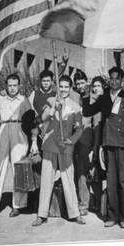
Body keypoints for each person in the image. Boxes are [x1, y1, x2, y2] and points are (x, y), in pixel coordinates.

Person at [82, 66, 124, 229]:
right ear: (109, 80)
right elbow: (88, 111)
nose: (115, 81)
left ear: (121, 79)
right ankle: (111, 216)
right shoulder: (103, 98)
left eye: (118, 78)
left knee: (123, 182)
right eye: (112, 78)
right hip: (109, 142)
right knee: (110, 181)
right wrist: (86, 93)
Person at [32, 75, 86, 226]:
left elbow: (79, 128)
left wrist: (72, 140)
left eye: (66, 87)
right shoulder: (51, 101)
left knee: (69, 179)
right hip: (49, 145)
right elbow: (42, 118)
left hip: (65, 147)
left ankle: (75, 213)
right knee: (46, 180)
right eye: (60, 86)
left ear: (70, 88)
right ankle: (41, 215)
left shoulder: (75, 106)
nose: (63, 89)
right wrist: (52, 110)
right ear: (58, 87)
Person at [0, 74, 37, 216]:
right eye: (10, 85)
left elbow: (32, 121)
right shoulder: (0, 99)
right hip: (4, 130)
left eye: (15, 85)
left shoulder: (24, 101)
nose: (12, 88)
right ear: (6, 86)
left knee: (19, 168)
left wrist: (33, 141)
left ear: (19, 86)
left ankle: (18, 205)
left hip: (19, 131)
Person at [72, 71, 103, 216]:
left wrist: (95, 148)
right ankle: (83, 203)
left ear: (87, 82)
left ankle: (96, 201)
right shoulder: (74, 98)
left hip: (89, 141)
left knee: (93, 172)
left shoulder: (94, 100)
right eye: (77, 83)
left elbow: (96, 126)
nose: (80, 86)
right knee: (80, 174)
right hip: (75, 141)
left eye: (82, 82)